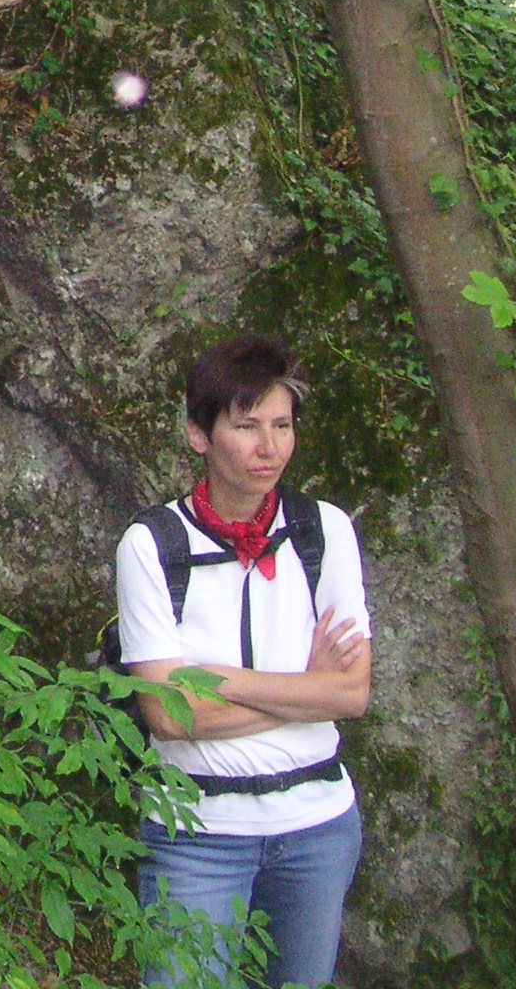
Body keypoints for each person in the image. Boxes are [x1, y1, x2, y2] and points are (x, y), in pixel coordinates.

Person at [115, 333, 372, 989]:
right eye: (248, 425)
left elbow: (352, 694)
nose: (270, 447)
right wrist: (305, 690)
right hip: (195, 833)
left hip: (317, 829)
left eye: (282, 426)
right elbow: (170, 717)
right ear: (199, 435)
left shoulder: (322, 531)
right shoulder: (153, 544)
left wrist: (224, 682)